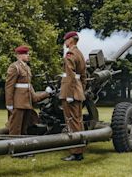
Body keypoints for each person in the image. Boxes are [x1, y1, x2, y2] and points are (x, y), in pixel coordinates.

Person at [5, 45, 53, 135]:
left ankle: (22, 148)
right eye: (25, 54)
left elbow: (28, 87)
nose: (28, 55)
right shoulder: (14, 67)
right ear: (19, 55)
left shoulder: (27, 68)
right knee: (15, 130)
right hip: (18, 103)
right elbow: (9, 87)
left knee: (24, 130)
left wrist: (46, 93)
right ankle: (14, 148)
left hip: (27, 103)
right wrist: (9, 104)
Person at [59, 31, 87, 161]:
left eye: (65, 40)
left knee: (71, 121)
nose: (65, 42)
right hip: (78, 91)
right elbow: (83, 77)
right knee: (78, 121)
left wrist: (70, 94)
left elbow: (70, 75)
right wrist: (81, 90)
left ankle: (75, 152)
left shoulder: (70, 54)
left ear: (70, 40)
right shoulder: (80, 53)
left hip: (70, 92)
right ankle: (79, 149)